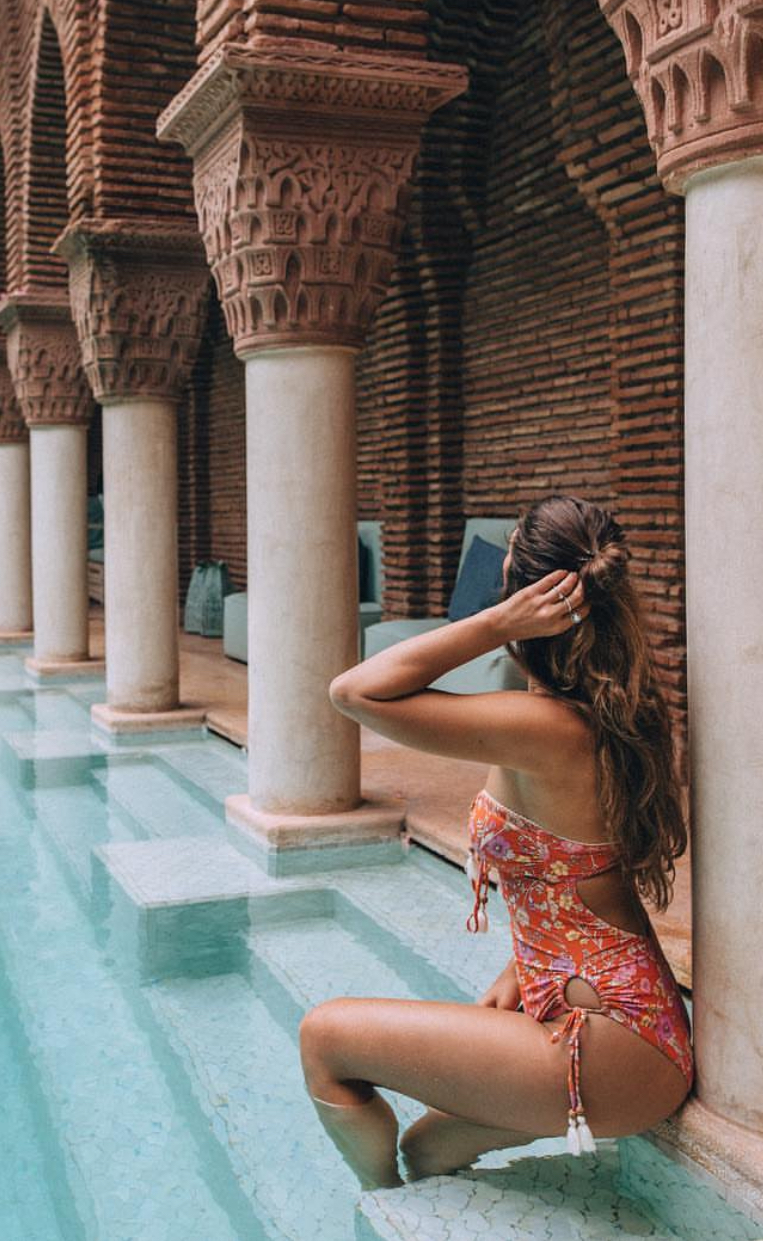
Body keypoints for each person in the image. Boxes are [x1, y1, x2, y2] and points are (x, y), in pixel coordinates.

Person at [298, 496, 692, 1189]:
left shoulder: (543, 728)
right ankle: (409, 1199)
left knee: (325, 1038)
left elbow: (353, 692)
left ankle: (380, 1208)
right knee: (426, 1153)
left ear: (527, 602)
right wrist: (525, 968)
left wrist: (490, 624)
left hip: (610, 1045)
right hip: (624, 1022)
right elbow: (583, 871)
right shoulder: (603, 713)